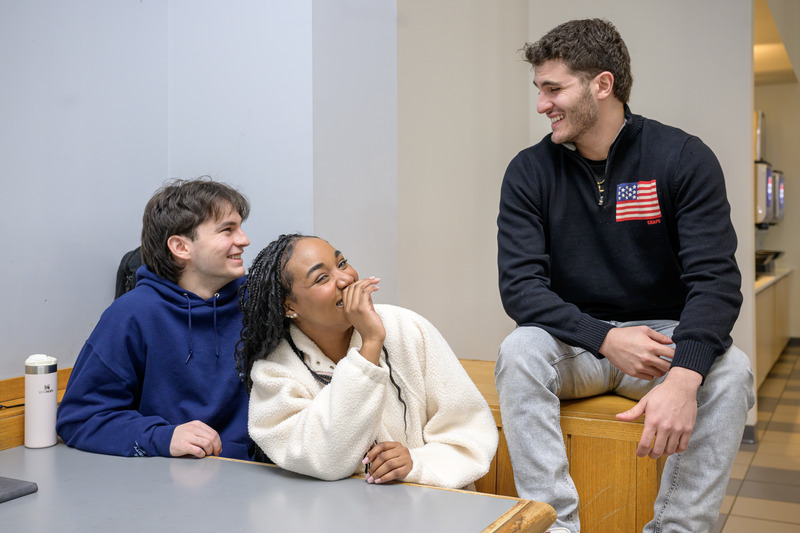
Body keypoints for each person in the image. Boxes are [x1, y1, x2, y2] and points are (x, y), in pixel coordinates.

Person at [495, 19, 755, 533]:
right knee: (519, 351)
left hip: (662, 343)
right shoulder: (529, 171)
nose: (542, 104)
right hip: (576, 343)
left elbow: (715, 282)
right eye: (539, 90)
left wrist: (684, 377)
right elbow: (521, 289)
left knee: (733, 372)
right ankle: (554, 526)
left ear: (602, 84)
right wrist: (605, 338)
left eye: (553, 89)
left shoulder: (682, 157)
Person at [236, 234, 498, 489]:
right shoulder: (275, 372)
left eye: (342, 263)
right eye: (322, 278)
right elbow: (324, 460)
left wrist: (416, 463)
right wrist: (371, 343)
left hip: (435, 505)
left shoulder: (407, 327)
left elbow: (470, 434)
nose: (346, 279)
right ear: (289, 306)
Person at [57, 177, 257, 461]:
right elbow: (79, 419)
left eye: (240, 227)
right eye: (227, 230)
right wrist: (162, 437)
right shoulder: (131, 314)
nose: (244, 240)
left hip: (256, 474)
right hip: (170, 476)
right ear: (181, 247)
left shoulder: (259, 302)